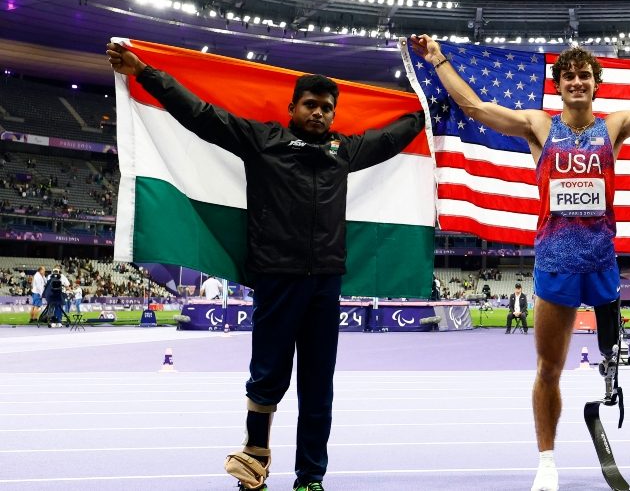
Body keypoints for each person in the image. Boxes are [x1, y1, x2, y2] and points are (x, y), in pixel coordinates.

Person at [107, 41, 424, 491]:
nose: (319, 113)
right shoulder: (263, 141)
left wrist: (428, 111)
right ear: (292, 107)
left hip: (326, 283)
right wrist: (145, 72)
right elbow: (200, 114)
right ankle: (254, 463)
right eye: (311, 105)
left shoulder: (343, 151)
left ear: (334, 115)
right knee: (267, 377)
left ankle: (311, 478)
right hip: (277, 278)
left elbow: (391, 138)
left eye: (327, 108)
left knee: (319, 388)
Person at [409, 34, 630, 491]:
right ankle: (546, 461)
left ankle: (609, 381)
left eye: (584, 75)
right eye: (568, 76)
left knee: (612, 355)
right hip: (555, 261)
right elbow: (474, 108)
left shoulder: (614, 127)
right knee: (549, 369)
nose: (576, 81)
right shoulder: (539, 126)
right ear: (559, 85)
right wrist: (438, 59)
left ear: (596, 84)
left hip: (603, 260)